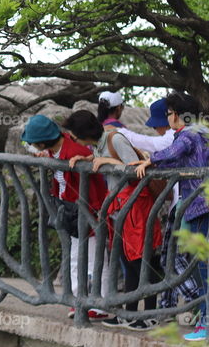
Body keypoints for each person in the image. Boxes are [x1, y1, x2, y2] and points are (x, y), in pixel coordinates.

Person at [64, 111, 162, 330]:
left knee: (142, 260)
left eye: (75, 136)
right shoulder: (98, 143)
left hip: (137, 206)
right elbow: (101, 156)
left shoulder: (114, 138)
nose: (74, 140)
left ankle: (150, 314)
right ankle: (128, 313)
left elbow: (136, 167)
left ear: (83, 133)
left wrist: (108, 161)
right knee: (129, 261)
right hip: (121, 207)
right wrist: (87, 158)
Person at [133, 92, 209, 341]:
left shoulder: (189, 134)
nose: (167, 117)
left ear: (176, 115)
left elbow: (173, 152)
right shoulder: (203, 133)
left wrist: (151, 160)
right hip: (201, 206)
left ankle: (207, 324)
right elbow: (177, 162)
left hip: (200, 206)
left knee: (201, 265)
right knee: (198, 262)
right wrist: (151, 164)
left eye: (168, 113)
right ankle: (206, 317)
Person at [21, 114, 109, 320]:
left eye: (34, 143)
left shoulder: (75, 151)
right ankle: (77, 300)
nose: (32, 147)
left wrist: (94, 216)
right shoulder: (56, 150)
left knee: (96, 258)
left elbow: (94, 189)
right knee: (76, 257)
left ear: (43, 142)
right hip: (70, 210)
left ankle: (102, 304)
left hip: (88, 211)